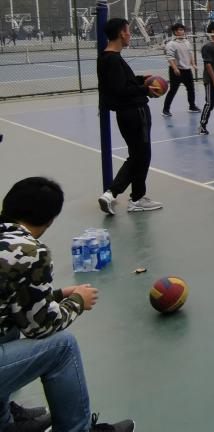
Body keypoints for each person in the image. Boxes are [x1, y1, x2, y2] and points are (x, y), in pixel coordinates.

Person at [1, 178, 136, 432]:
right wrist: (77, 302)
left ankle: (4, 422)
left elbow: (11, 299)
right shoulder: (29, 250)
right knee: (63, 347)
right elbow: (40, 328)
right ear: (50, 219)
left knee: (6, 322)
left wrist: (58, 295)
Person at [96, 17, 162, 215]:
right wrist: (146, 89)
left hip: (125, 114)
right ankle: (114, 194)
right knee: (140, 156)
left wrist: (140, 79)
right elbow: (122, 89)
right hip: (135, 112)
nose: (130, 35)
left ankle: (136, 197)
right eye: (128, 31)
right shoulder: (114, 59)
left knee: (138, 155)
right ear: (121, 34)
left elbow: (120, 83)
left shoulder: (106, 57)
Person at [161, 23, 200, 117]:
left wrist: (193, 64)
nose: (182, 31)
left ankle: (192, 106)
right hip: (176, 70)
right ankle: (165, 110)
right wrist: (175, 68)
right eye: (179, 30)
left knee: (191, 89)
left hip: (187, 70)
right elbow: (170, 58)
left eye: (182, 30)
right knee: (173, 90)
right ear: (175, 32)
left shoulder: (187, 42)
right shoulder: (171, 44)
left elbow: (190, 54)